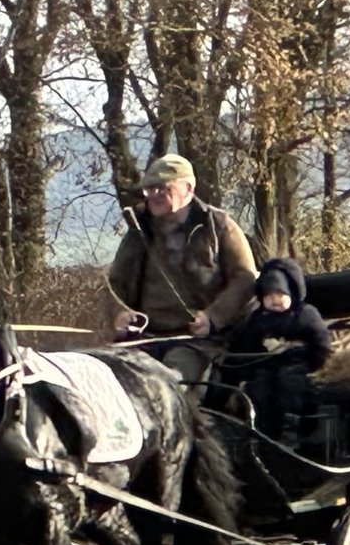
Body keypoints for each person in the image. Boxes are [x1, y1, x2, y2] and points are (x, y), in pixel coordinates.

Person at [106, 153, 257, 385]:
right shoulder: (138, 231)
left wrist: (213, 317)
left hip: (197, 342)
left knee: (168, 384)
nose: (153, 196)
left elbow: (245, 279)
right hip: (144, 339)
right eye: (149, 190)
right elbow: (114, 284)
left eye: (162, 188)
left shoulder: (218, 226)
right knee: (106, 382)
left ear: (187, 188)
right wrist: (119, 313)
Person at [226, 257, 333, 442]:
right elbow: (244, 347)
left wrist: (322, 366)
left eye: (279, 294)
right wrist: (243, 371)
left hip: (300, 366)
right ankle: (264, 432)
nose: (274, 300)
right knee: (258, 387)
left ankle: (298, 429)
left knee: (290, 383)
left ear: (291, 292)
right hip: (265, 366)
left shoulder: (306, 315)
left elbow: (322, 344)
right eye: (269, 296)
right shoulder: (258, 320)